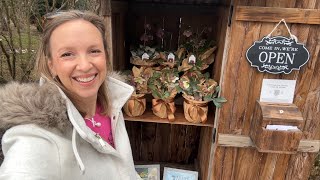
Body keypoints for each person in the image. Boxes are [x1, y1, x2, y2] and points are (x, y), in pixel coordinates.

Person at [0, 10, 141, 179]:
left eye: (94, 51)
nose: (84, 65)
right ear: (51, 65)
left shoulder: (112, 103)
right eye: (67, 54)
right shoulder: (36, 135)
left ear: (106, 56)